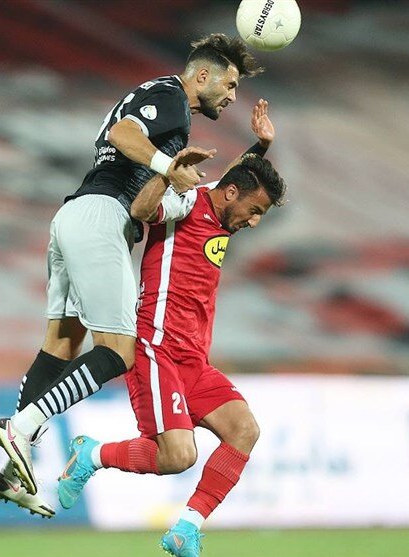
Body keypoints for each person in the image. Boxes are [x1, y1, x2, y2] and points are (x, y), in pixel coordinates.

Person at [0, 33, 263, 501]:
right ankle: (22, 426)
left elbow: (218, 195)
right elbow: (123, 134)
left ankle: (15, 466)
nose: (233, 96)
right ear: (202, 76)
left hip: (74, 214)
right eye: (231, 84)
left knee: (62, 343)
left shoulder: (161, 99)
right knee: (119, 351)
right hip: (103, 217)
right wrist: (168, 166)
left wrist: (257, 149)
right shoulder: (172, 98)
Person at [54, 101, 285, 557]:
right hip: (156, 347)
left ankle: (186, 530)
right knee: (178, 456)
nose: (254, 222)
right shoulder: (187, 201)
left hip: (194, 359)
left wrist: (262, 146)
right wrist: (167, 172)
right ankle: (91, 454)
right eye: (255, 210)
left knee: (244, 430)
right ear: (232, 195)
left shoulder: (225, 207)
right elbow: (142, 209)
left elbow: (238, 177)